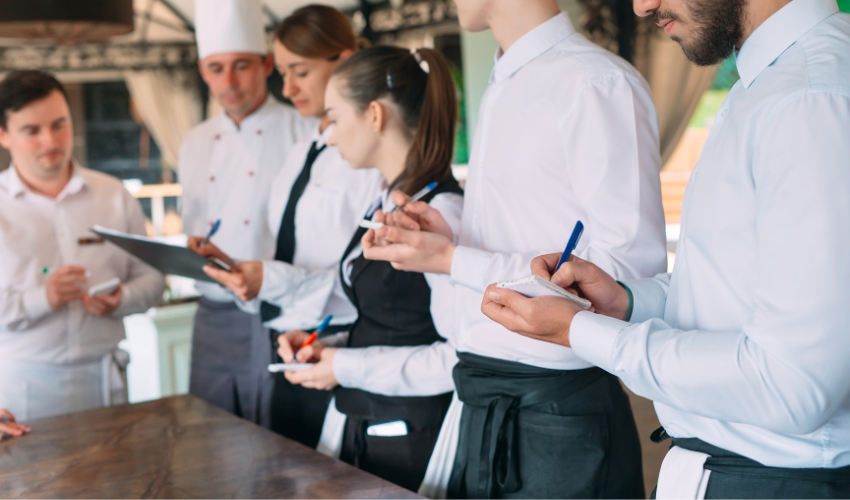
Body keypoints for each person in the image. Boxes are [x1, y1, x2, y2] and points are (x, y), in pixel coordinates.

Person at [481, 0, 850, 498]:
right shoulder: (773, 85)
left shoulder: (809, 98)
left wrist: (583, 332)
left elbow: (791, 385)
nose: (642, 5)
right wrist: (627, 302)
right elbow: (744, 285)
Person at [360, 0, 668, 497]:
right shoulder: (503, 82)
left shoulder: (596, 83)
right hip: (483, 397)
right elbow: (522, 233)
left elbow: (626, 273)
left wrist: (452, 260)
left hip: (555, 413)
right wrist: (449, 241)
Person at [276, 46, 464, 492]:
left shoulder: (444, 214)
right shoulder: (382, 202)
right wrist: (326, 343)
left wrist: (344, 366)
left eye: (335, 118)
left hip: (412, 439)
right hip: (367, 422)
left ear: (374, 115)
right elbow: (387, 316)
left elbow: (459, 359)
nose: (329, 136)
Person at [197, 4, 381, 448]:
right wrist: (242, 272)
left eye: (299, 71)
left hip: (338, 353)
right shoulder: (302, 153)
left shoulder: (369, 161)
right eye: (282, 72)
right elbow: (290, 254)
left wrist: (269, 278)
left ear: (342, 61)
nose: (288, 87)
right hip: (287, 346)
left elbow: (362, 280)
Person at [0, 71, 165, 420]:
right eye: (32, 131)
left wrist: (123, 299)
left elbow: (154, 279)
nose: (51, 140)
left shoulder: (114, 194)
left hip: (106, 379)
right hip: (22, 388)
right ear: (3, 135)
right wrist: (42, 299)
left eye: (60, 124)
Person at [179, 0, 313, 427]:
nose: (230, 80)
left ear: (267, 64)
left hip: (277, 309)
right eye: (216, 68)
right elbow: (193, 222)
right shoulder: (194, 141)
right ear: (203, 71)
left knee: (274, 431)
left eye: (242, 65)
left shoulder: (303, 129)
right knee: (210, 430)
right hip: (211, 310)